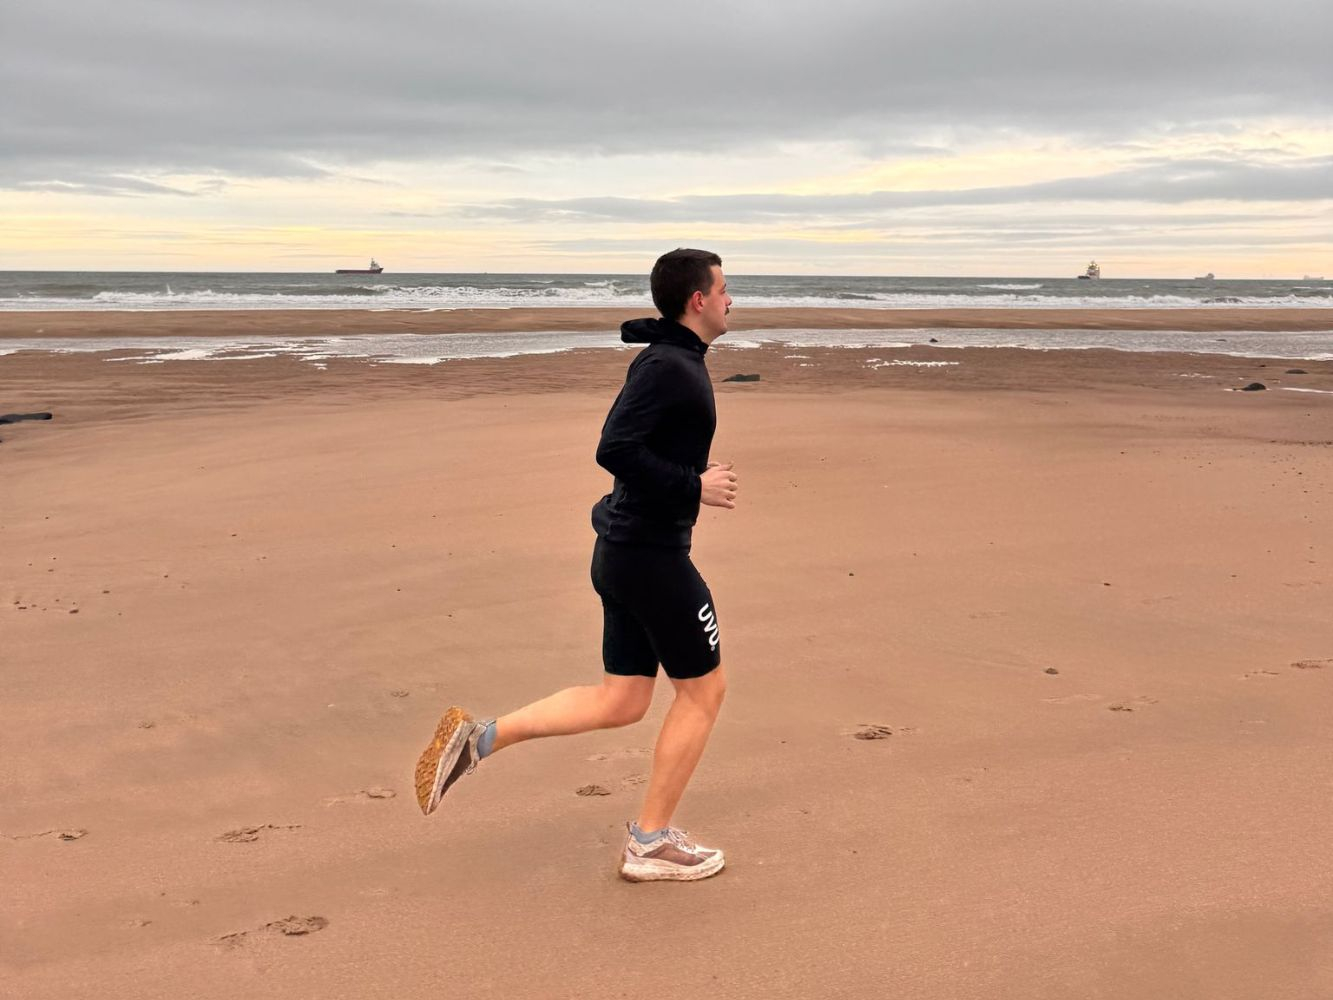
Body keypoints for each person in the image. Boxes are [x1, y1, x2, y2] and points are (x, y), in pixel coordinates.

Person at [413, 248, 737, 882]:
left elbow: (633, 453)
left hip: (626, 552)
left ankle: (478, 740)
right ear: (697, 300)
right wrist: (693, 487)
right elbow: (614, 447)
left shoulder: (673, 359)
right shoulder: (669, 366)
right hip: (649, 558)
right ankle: (650, 843)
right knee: (704, 692)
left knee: (622, 700)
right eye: (725, 288)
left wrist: (680, 486)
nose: (732, 299)